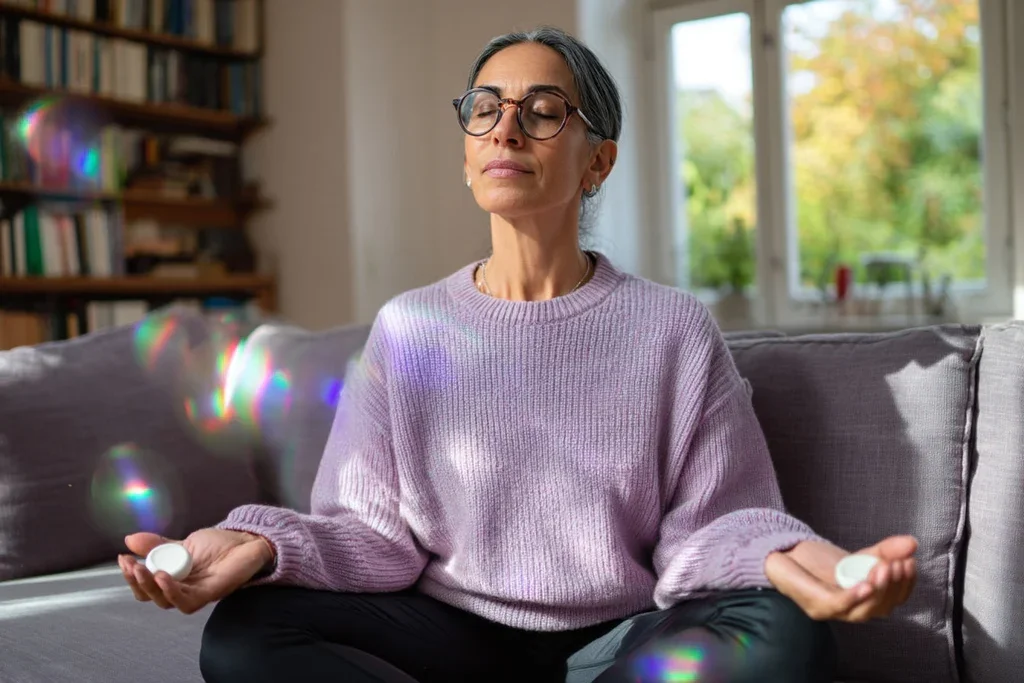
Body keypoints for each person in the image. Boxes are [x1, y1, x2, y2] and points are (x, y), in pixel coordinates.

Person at [117, 26, 918, 683]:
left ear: (597, 161)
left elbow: (709, 530)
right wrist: (261, 543)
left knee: (785, 637)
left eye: (542, 110)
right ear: (468, 155)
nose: (505, 127)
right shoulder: (408, 329)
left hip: (621, 640)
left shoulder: (671, 328)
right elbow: (368, 533)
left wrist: (788, 554)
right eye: (485, 109)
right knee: (246, 631)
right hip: (447, 633)